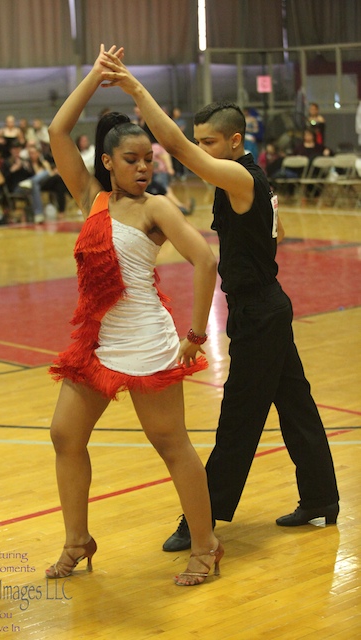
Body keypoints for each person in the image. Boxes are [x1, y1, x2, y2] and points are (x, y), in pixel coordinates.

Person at [100, 47, 340, 553]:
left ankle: (200, 523)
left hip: (259, 312)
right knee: (296, 407)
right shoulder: (248, 181)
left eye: (211, 142)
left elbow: (180, 150)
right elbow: (278, 229)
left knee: (238, 421)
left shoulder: (242, 176)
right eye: (201, 139)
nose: (201, 149)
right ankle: (321, 499)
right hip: (265, 306)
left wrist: (136, 90)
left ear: (236, 141)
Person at [45, 45, 222, 587]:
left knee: (171, 445)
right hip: (99, 342)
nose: (144, 167)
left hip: (147, 338)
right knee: (64, 435)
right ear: (107, 162)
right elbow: (57, 131)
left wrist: (195, 334)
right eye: (132, 160)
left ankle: (206, 545)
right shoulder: (91, 199)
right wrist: (96, 75)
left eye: (149, 159)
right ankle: (79, 540)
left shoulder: (156, 208)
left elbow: (205, 259)